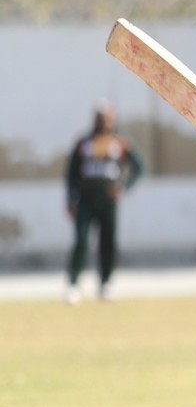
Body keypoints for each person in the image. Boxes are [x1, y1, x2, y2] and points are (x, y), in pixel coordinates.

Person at [64, 101, 143, 303]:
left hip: (108, 200)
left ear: (112, 119)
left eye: (106, 118)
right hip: (86, 199)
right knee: (82, 240)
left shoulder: (120, 142)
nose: (102, 122)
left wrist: (123, 186)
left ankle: (106, 283)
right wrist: (71, 197)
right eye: (99, 118)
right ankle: (73, 284)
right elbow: (72, 173)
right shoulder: (84, 143)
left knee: (108, 241)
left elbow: (139, 167)